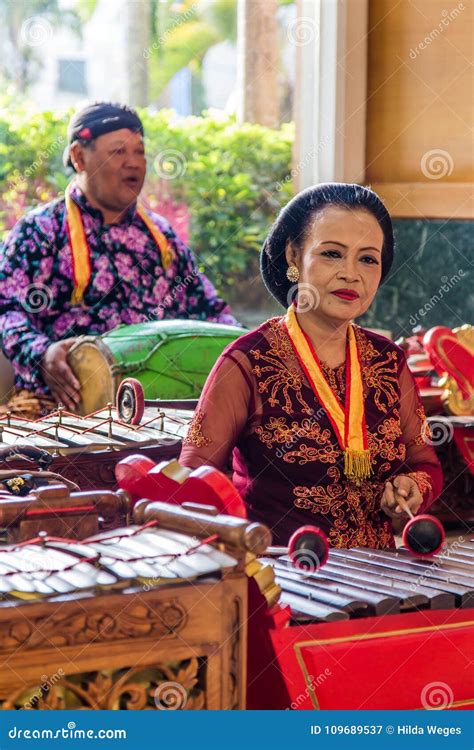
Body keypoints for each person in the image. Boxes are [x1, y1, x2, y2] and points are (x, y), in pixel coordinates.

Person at [180, 183, 443, 548]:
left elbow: (424, 462)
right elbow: (194, 481)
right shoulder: (246, 363)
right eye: (332, 254)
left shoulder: (388, 361)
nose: (351, 274)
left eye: (368, 259)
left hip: (380, 578)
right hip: (282, 580)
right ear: (293, 256)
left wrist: (414, 489)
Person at [0, 102, 237, 411]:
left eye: (139, 152)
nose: (133, 163)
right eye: (118, 152)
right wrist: (42, 354)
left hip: (159, 411)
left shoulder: (160, 237)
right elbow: (6, 312)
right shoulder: (40, 231)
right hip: (61, 409)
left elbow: (210, 311)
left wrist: (246, 351)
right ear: (79, 156)